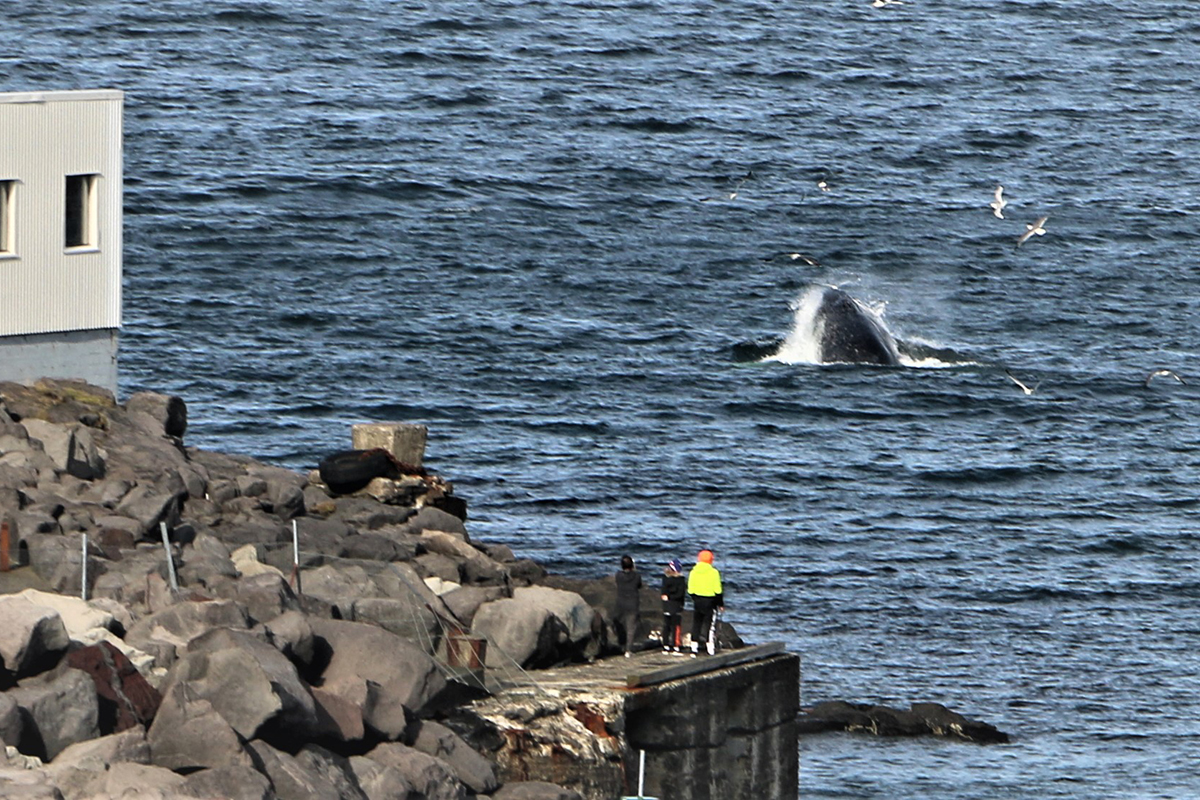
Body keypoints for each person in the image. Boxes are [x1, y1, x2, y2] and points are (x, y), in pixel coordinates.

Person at [687, 549, 723, 656]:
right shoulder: (714, 572)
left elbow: (690, 589)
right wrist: (720, 604)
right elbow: (718, 590)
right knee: (709, 625)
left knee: (696, 623)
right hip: (710, 601)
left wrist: (695, 598)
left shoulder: (693, 571)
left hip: (697, 600)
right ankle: (710, 648)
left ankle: (694, 647)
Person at [614, 554, 643, 658]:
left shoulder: (618, 575)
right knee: (631, 628)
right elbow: (639, 585)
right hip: (632, 603)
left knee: (621, 625)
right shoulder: (637, 575)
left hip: (621, 602)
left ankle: (621, 645)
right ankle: (628, 650)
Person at [660, 559, 686, 653]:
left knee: (666, 625)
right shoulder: (681, 580)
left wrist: (667, 597)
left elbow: (663, 593)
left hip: (667, 605)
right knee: (676, 626)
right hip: (676, 605)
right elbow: (681, 594)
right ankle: (675, 645)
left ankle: (666, 645)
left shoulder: (665, 578)